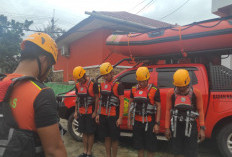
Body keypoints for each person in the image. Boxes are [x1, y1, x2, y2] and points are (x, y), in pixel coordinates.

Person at [0, 32, 67, 157]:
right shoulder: (42, 93)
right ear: (44, 60)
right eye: (50, 67)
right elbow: (54, 151)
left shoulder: (2, 84)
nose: (48, 73)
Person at [165, 69, 205, 157]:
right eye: (178, 87)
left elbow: (200, 110)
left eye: (183, 87)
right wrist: (167, 128)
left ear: (188, 83)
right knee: (177, 152)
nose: (181, 89)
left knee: (191, 152)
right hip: (175, 127)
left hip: (191, 127)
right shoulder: (171, 93)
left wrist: (202, 128)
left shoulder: (196, 93)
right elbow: (168, 111)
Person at [127, 67, 161, 157]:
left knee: (150, 147)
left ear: (148, 79)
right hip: (137, 122)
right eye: (139, 81)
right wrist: (129, 120)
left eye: (143, 81)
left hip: (149, 122)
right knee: (139, 146)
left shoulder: (154, 90)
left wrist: (157, 123)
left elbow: (158, 106)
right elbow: (131, 104)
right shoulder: (134, 89)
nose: (141, 83)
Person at [95, 62, 124, 157]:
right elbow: (100, 100)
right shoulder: (102, 85)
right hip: (103, 115)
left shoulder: (118, 85)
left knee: (114, 139)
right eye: (104, 76)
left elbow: (122, 102)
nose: (105, 77)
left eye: (107, 75)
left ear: (112, 72)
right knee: (106, 138)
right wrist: (98, 114)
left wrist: (120, 118)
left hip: (113, 116)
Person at [73, 66, 99, 157]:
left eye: (79, 79)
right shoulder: (77, 85)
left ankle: (89, 152)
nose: (79, 81)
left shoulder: (93, 84)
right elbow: (77, 99)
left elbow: (96, 98)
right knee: (84, 132)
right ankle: (84, 151)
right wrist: (76, 111)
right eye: (77, 79)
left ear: (83, 75)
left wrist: (95, 112)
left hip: (90, 113)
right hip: (81, 112)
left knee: (90, 133)